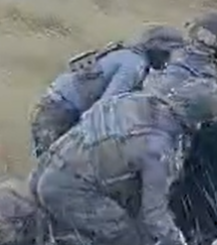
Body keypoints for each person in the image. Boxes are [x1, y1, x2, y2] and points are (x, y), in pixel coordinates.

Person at [30, 78, 217, 245]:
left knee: (92, 236)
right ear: (199, 120)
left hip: (48, 170)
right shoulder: (158, 147)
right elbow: (153, 214)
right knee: (124, 237)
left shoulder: (137, 100)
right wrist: (179, 244)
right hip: (69, 189)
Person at [30, 25, 186, 157]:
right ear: (157, 49)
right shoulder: (134, 65)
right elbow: (104, 107)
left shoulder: (126, 54)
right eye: (168, 53)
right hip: (59, 113)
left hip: (53, 107)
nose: (168, 61)